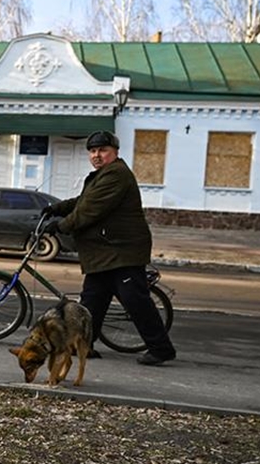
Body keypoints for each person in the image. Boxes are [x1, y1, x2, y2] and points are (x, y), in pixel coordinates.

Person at [42, 130, 177, 366]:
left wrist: (61, 226)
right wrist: (57, 208)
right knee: (92, 301)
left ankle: (161, 348)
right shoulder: (102, 175)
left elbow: (89, 210)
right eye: (93, 151)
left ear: (114, 152)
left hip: (121, 251)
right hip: (104, 253)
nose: (97, 155)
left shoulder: (116, 175)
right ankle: (85, 345)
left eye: (103, 150)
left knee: (135, 302)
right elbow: (82, 201)